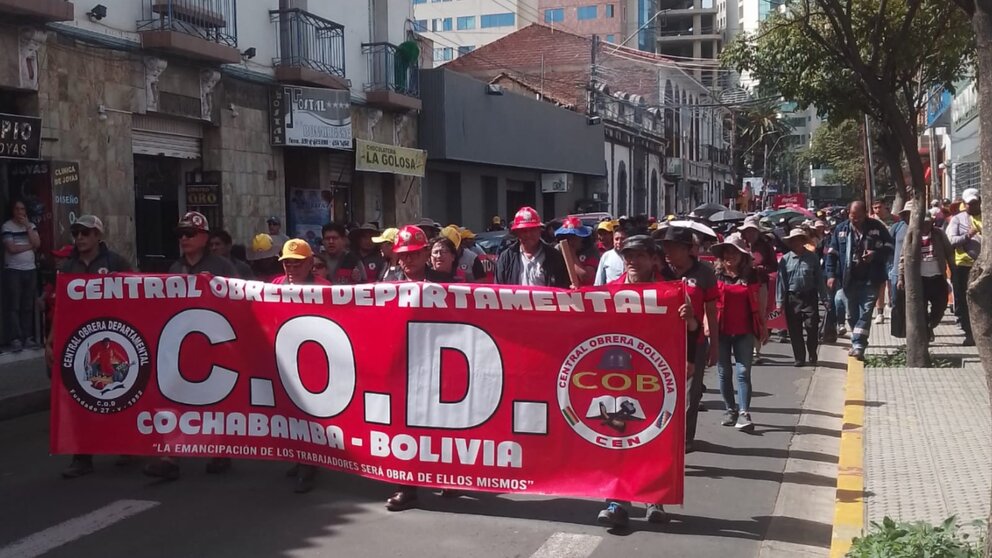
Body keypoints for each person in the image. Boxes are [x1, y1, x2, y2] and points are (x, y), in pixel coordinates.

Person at [598, 235, 699, 528]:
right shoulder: (610, 290)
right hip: (618, 377)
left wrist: (690, 318)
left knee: (654, 435)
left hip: (656, 376)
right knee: (616, 437)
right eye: (628, 255)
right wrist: (578, 301)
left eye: (639, 255)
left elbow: (691, 330)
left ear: (653, 259)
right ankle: (616, 501)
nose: (632, 260)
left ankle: (654, 498)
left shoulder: (670, 291)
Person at [145, 212, 236, 481]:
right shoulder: (175, 269)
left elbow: (239, 302)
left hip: (216, 345)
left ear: (204, 237)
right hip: (182, 346)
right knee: (174, 398)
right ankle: (170, 456)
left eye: (190, 234)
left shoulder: (222, 267)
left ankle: (221, 449)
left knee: (215, 400)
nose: (184, 239)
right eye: (180, 234)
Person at [48, 215, 134, 479]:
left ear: (98, 235)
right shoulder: (68, 266)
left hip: (115, 337)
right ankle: (81, 457)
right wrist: (50, 339)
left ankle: (127, 444)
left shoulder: (115, 262)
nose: (80, 238)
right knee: (79, 399)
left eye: (86, 233)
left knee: (120, 394)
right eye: (76, 233)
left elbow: (136, 294)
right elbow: (60, 306)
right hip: (79, 342)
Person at [383, 225, 447, 511]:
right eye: (402, 255)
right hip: (402, 365)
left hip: (438, 363)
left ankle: (450, 476)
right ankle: (405, 487)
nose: (407, 261)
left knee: (442, 423)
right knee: (403, 426)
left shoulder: (446, 283)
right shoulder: (387, 283)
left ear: (424, 254)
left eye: (412, 254)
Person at [272, 239, 331, 493]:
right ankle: (300, 456)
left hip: (314, 361)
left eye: (297, 263)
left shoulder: (324, 288)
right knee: (292, 411)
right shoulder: (274, 285)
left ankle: (310, 463)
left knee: (311, 413)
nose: (291, 269)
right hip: (285, 359)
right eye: (287, 263)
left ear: (310, 264)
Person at [656, 226, 719, 452]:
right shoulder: (659, 272)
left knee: (691, 396)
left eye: (673, 247)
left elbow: (711, 311)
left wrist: (715, 347)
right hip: (662, 344)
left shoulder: (704, 273)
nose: (668, 251)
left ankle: (685, 439)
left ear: (687, 249)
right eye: (665, 247)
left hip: (695, 343)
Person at [711, 233, 768, 432]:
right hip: (721, 331)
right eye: (726, 252)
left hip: (745, 331)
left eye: (734, 252)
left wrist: (763, 327)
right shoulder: (715, 275)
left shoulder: (753, 275)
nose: (730, 256)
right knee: (724, 373)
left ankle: (744, 412)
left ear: (742, 256)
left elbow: (761, 302)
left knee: (743, 373)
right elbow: (707, 304)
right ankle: (730, 409)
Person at [825, 200, 894, 360]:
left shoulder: (877, 228)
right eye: (852, 215)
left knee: (866, 312)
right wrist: (830, 275)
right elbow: (832, 255)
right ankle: (858, 341)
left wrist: (875, 254)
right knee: (851, 315)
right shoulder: (841, 230)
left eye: (858, 216)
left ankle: (858, 345)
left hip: (871, 279)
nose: (854, 219)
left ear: (865, 214)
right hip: (848, 280)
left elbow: (890, 247)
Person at [896, 207, 953, 342]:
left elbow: (949, 252)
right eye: (922, 222)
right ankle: (925, 333)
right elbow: (902, 258)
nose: (925, 225)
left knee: (941, 305)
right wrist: (900, 277)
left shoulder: (938, 234)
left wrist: (953, 271)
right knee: (920, 308)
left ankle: (931, 324)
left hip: (937, 276)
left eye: (928, 222)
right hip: (919, 279)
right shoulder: (911, 235)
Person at [777, 229, 829, 366]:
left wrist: (825, 298)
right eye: (793, 240)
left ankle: (812, 352)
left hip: (809, 296)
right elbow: (781, 282)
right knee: (794, 330)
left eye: (798, 239)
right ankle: (799, 357)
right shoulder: (785, 260)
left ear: (803, 241)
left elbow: (819, 280)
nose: (796, 243)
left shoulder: (812, 258)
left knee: (812, 326)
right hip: (792, 298)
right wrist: (779, 302)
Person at [495, 207, 570, 287]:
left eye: (532, 229)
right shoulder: (506, 258)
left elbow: (564, 289)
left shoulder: (554, 257)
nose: (528, 234)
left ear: (539, 230)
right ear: (517, 233)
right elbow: (498, 290)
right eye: (524, 230)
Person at [3, 199, 41, 352]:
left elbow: (37, 243)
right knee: (14, 306)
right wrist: (30, 246)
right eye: (17, 209)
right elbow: (11, 248)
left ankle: (28, 337)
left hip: (29, 270)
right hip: (14, 270)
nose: (20, 212)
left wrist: (27, 227)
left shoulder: (30, 226)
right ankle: (15, 338)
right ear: (13, 211)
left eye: (22, 209)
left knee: (27, 306)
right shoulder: (7, 226)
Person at [947, 187, 982, 346]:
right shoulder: (958, 220)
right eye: (970, 204)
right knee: (965, 299)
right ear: (964, 204)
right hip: (964, 265)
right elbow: (951, 240)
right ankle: (969, 333)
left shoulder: (987, 216)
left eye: (975, 203)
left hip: (985, 265)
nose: (973, 206)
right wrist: (968, 235)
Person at [871, 199, 897, 325]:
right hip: (878, 256)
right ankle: (880, 313)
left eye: (879, 207)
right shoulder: (871, 221)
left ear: (885, 206)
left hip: (892, 255)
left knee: (892, 283)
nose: (877, 210)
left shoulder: (895, 219)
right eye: (874, 208)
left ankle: (892, 307)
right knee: (880, 285)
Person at [554, 217, 599, 287]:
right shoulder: (558, 249)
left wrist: (570, 254)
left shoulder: (591, 250)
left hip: (585, 294)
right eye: (567, 237)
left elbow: (586, 277)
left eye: (574, 237)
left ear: (581, 237)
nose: (571, 241)